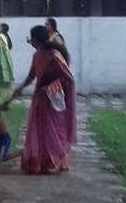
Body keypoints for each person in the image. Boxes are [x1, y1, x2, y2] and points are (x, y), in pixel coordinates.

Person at [6, 25, 77, 175]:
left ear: (37, 40)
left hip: (53, 100)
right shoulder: (37, 55)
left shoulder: (54, 55)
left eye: (32, 39)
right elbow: (32, 75)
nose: (30, 42)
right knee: (38, 130)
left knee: (52, 131)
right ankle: (38, 162)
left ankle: (53, 162)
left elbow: (67, 78)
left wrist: (50, 88)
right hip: (39, 98)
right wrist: (21, 87)